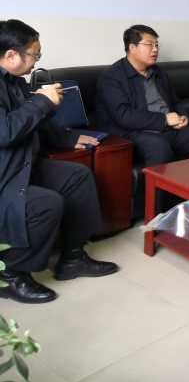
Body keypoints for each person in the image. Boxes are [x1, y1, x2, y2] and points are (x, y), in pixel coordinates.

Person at [0, 19, 118, 304]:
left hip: (22, 165)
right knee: (46, 203)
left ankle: (73, 258)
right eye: (34, 55)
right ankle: (11, 275)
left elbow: (33, 124)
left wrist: (68, 138)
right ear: (11, 55)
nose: (36, 62)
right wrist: (41, 102)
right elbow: (5, 132)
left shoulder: (15, 82)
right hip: (5, 176)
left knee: (78, 177)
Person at [96, 25, 189, 166]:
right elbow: (124, 116)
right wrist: (164, 120)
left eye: (156, 45)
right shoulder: (112, 77)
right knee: (159, 147)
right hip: (135, 133)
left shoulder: (158, 72)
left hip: (169, 129)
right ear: (132, 47)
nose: (155, 49)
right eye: (149, 44)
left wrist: (183, 116)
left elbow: (176, 102)